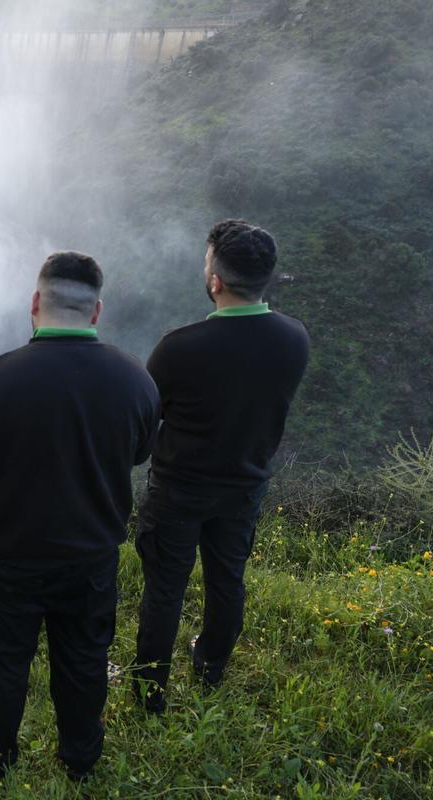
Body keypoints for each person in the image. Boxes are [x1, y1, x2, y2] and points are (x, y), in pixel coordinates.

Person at [0, 252, 160, 782]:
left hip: (4, 561)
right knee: (84, 661)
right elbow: (139, 454)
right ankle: (80, 760)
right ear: (96, 311)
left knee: (1, 665)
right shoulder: (136, 380)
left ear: (35, 302)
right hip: (91, 562)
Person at [132, 219, 310, 713]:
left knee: (164, 590)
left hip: (178, 489)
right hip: (244, 487)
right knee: (227, 579)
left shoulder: (179, 347)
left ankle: (150, 693)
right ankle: (211, 666)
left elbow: (147, 419)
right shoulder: (294, 338)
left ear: (215, 281)